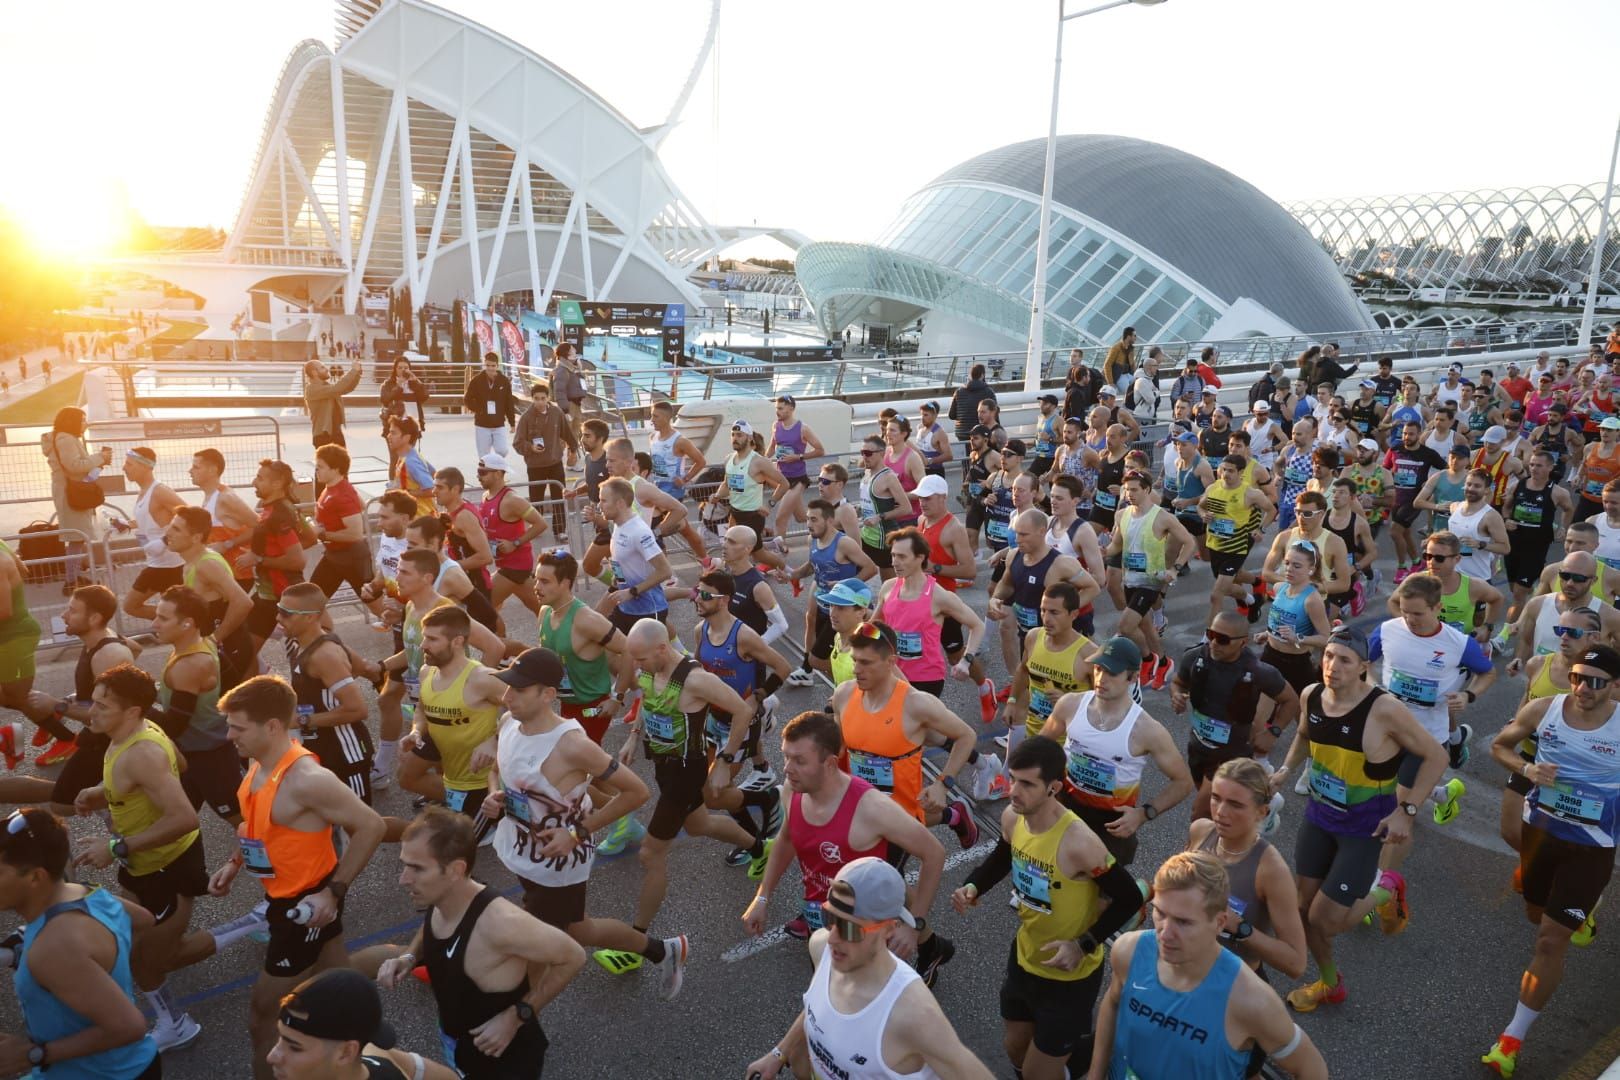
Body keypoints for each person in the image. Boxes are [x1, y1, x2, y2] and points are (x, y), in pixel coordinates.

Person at [203, 675, 386, 1078]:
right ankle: (409, 963)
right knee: (336, 979)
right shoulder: (258, 762)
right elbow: (259, 822)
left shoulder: (308, 780)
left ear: (271, 726)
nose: (228, 735)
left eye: (237, 727)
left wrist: (332, 893)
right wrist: (235, 863)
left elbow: (371, 826)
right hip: (287, 897)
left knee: (263, 1016)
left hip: (303, 906)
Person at [951, 736, 1153, 1080]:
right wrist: (974, 885)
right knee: (1015, 1046)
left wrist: (1084, 945)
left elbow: (1129, 898)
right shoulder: (1013, 817)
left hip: (1069, 977)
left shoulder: (1079, 842)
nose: (1013, 790)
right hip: (1026, 957)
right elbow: (1003, 855)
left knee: (1037, 1072)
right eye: (1013, 778)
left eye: (1027, 784)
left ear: (1054, 787)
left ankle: (1096, 1054)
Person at [1271, 626, 1447, 1012]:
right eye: (1329, 657)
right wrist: (1286, 769)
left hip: (1364, 828)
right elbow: (1304, 734)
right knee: (1304, 912)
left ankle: (1386, 886)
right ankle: (1330, 983)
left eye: (1344, 660)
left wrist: (1407, 811)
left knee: (1327, 920)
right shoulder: (1312, 694)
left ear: (1364, 667)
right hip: (1319, 817)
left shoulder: (1383, 709)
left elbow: (1436, 755)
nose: (1332, 666)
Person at [1483, 643, 1620, 1077]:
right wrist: (1526, 771)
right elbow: (1501, 747)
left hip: (1593, 847)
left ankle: (1511, 1040)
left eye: (1596, 682)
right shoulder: (1545, 709)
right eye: (1578, 677)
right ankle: (1583, 910)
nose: (1583, 687)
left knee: (1549, 939)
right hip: (1541, 835)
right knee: (1534, 913)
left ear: (1615, 686)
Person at [369, 808, 585, 1077]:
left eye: (417, 868)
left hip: (503, 1060)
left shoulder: (501, 923)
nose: (403, 879)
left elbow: (573, 956)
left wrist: (519, 1015)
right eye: (405, 864)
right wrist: (410, 957)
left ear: (456, 870)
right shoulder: (444, 896)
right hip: (458, 1043)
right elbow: (435, 925)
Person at [744, 857, 995, 1080]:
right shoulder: (822, 947)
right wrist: (779, 1053)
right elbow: (819, 1008)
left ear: (890, 928)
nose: (833, 937)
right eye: (829, 919)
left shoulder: (912, 1013)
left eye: (851, 930)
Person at [1090, 851, 1329, 1080]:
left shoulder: (1252, 1000)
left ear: (1219, 923)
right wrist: (1095, 1074)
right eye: (1161, 913)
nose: (1165, 933)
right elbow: (1112, 1003)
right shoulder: (1128, 951)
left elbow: (1311, 1070)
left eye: (1183, 922)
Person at [69, 663, 208, 1052]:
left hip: (167, 866)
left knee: (147, 963)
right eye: (93, 702)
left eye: (103, 707)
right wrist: (102, 790)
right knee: (126, 940)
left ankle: (176, 1023)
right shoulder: (138, 733)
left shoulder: (141, 752)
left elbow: (184, 816)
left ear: (132, 712)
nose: (91, 712)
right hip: (146, 863)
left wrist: (115, 847)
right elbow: (178, 764)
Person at [617, 619, 768, 950]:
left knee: (650, 854)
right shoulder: (649, 669)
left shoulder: (696, 680)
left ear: (661, 648)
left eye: (640, 658)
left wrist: (725, 762)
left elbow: (743, 711)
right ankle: (761, 848)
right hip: (662, 766)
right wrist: (632, 737)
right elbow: (649, 699)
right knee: (698, 824)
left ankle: (638, 943)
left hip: (686, 773)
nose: (635, 666)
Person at [744, 710, 946, 942]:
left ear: (830, 763)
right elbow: (787, 839)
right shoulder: (793, 790)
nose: (787, 769)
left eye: (799, 760)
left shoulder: (871, 807)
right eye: (785, 757)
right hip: (820, 923)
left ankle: (931, 947)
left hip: (864, 939)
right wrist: (762, 898)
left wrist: (915, 926)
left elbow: (934, 853)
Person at [0, 806, 160, 1080]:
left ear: (36, 877)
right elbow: (143, 919)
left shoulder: (54, 950)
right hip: (132, 1064)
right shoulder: (86, 893)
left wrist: (31, 1055)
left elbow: (130, 1026)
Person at [1039, 637, 1193, 866]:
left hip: (1111, 828)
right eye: (1098, 668)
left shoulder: (1146, 730)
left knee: (1105, 901)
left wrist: (1143, 814)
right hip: (1065, 811)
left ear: (1132, 677)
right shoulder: (1070, 705)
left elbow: (1183, 782)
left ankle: (1139, 895)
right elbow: (1039, 749)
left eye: (1111, 673)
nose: (1101, 678)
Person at [1187, 758, 1308, 981]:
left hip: (1231, 985)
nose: (1220, 811)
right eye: (1216, 798)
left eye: (1235, 804)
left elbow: (1296, 963)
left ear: (1262, 812)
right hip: (1183, 966)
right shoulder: (1201, 832)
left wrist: (1239, 927)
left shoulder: (1271, 870)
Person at [1171, 611, 1297, 820]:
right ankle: (1261, 805)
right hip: (1198, 747)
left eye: (1223, 639)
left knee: (1201, 812)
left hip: (1232, 753)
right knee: (1216, 809)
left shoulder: (1257, 671)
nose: (1214, 643)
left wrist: (1273, 732)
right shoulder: (1194, 657)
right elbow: (1178, 682)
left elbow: (1290, 699)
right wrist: (1176, 696)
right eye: (1211, 635)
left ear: (1243, 642)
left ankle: (1197, 851)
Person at [398, 605, 509, 825]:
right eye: (424, 638)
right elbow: (421, 708)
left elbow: (526, 710)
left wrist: (495, 741)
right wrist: (417, 730)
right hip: (453, 782)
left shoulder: (482, 678)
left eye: (432, 639)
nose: (423, 646)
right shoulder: (426, 673)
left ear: (457, 641)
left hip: (483, 784)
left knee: (456, 850)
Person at [145, 586, 242, 825]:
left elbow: (174, 726)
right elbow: (234, 681)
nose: (154, 624)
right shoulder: (206, 643)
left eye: (163, 618)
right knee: (173, 822)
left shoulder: (189, 664)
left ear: (187, 623)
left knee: (245, 825)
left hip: (210, 759)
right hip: (193, 755)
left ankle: (277, 862)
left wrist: (133, 702)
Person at [275, 583, 377, 802]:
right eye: (279, 609)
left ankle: (426, 833)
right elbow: (362, 667)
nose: (278, 618)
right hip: (320, 748)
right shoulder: (296, 643)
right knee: (331, 825)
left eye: (286, 613)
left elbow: (358, 710)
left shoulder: (325, 656)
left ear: (311, 617)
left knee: (359, 825)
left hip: (345, 753)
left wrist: (301, 720)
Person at [269, 966, 457, 1080]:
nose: (272, 1056)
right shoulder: (373, 1054)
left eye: (294, 1047)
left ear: (346, 1052)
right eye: (280, 1039)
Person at [1105, 471, 1194, 687]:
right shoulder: (1122, 515)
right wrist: (1101, 552)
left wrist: (1175, 568)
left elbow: (1190, 543)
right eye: (1127, 489)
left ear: (1146, 489)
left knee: (1126, 627)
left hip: (1151, 581)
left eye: (1134, 489)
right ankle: (1162, 662)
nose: (1129, 494)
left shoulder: (1162, 517)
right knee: (1145, 627)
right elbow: (1116, 544)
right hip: (1130, 579)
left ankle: (1147, 659)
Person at [878, 528, 988, 700]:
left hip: (926, 678)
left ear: (920, 557)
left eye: (902, 557)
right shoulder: (888, 588)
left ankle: (986, 689)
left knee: (914, 725)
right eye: (893, 555)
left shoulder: (939, 595)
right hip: (892, 673)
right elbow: (875, 625)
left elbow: (978, 625)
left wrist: (966, 661)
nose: (894, 562)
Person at [789, 497, 878, 686]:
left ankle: (847, 685)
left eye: (814, 520)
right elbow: (813, 565)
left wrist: (844, 585)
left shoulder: (844, 543)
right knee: (835, 653)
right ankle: (844, 687)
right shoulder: (811, 540)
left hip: (847, 608)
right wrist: (791, 575)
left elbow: (871, 568)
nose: (808, 524)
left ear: (829, 521)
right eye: (807, 519)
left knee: (817, 659)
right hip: (826, 606)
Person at [42, 406, 111, 594]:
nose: (85, 423)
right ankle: (71, 581)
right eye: (82, 420)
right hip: (71, 494)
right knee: (76, 538)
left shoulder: (62, 438)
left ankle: (74, 575)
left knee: (78, 537)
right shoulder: (66, 440)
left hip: (69, 491)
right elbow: (73, 466)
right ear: (71, 421)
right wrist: (99, 458)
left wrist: (96, 463)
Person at [1198, 457, 1276, 624]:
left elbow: (1271, 510)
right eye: (1223, 469)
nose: (1225, 474)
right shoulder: (1213, 488)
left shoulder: (1251, 493)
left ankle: (1209, 638)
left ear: (1241, 472)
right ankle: (1253, 598)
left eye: (1231, 470)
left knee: (1216, 594)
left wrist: (1260, 529)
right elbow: (1200, 506)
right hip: (1215, 544)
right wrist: (1204, 515)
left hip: (1238, 545)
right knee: (1230, 583)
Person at [474, 454, 548, 620]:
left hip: (515, 567)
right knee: (545, 613)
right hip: (504, 565)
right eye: (478, 471)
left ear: (499, 473)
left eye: (483, 472)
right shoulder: (485, 496)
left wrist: (515, 543)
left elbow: (540, 524)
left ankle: (503, 644)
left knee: (481, 608)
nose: (478, 476)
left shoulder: (511, 500)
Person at [597, 476, 674, 633]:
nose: (599, 506)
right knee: (610, 650)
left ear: (620, 504)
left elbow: (665, 571)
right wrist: (617, 581)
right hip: (625, 608)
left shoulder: (639, 531)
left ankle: (685, 656)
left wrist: (632, 592)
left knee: (644, 657)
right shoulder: (619, 525)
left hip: (648, 611)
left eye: (604, 501)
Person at [119, 447, 187, 622]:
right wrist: (126, 524)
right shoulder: (144, 491)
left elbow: (189, 516)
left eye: (129, 464)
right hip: (158, 563)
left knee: (130, 606)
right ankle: (180, 624)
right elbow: (152, 520)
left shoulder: (159, 491)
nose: (124, 468)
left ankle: (182, 621)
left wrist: (164, 541)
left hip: (167, 565)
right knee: (175, 607)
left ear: (145, 466)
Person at [718, 420, 789, 568]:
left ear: (749, 438)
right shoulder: (729, 459)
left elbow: (784, 484)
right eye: (733, 435)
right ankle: (728, 575)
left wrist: (770, 504)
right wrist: (716, 496)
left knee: (758, 554)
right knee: (729, 545)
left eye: (739, 435)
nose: (735, 438)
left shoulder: (758, 462)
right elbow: (726, 485)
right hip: (735, 513)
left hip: (752, 516)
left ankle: (787, 571)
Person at [1386, 420, 1449, 582]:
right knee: (1405, 532)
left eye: (1411, 434)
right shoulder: (1395, 449)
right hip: (1396, 499)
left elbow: (1447, 471)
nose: (1406, 437)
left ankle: (1401, 568)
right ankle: (1416, 562)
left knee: (1395, 532)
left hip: (1414, 500)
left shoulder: (1428, 453)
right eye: (1404, 433)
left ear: (1419, 434)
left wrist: (1430, 485)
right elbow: (1384, 470)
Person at [766, 394, 825, 551]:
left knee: (780, 518)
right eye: (776, 408)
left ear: (791, 408)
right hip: (782, 479)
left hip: (798, 479)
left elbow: (820, 450)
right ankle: (826, 522)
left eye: (780, 408)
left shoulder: (802, 428)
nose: (777, 412)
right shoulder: (776, 426)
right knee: (800, 517)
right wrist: (761, 461)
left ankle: (779, 553)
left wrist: (798, 456)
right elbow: (772, 447)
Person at [303, 357, 361, 458]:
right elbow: (337, 388)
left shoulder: (326, 386)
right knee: (326, 470)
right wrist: (353, 371)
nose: (326, 369)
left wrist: (357, 374)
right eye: (322, 367)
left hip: (336, 433)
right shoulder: (312, 389)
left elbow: (346, 389)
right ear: (314, 373)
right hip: (323, 436)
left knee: (342, 468)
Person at [464, 352, 518, 458]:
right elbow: (467, 399)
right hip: (482, 424)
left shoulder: (504, 381)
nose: (490, 368)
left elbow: (509, 402)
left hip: (498, 423)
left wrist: (512, 422)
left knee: (502, 451)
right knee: (483, 455)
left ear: (497, 366)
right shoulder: (476, 380)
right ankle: (485, 472)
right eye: (487, 365)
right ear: (484, 365)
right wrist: (479, 410)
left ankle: (495, 467)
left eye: (493, 366)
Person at [386, 416, 438, 518]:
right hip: (416, 518)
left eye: (393, 433)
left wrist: (404, 493)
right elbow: (435, 474)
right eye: (389, 432)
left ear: (406, 438)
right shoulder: (409, 456)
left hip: (421, 518)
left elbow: (431, 489)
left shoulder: (410, 461)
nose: (388, 436)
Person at [947, 362, 996, 455]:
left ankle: (967, 469)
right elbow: (994, 413)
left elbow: (951, 415)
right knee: (980, 458)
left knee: (966, 458)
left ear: (970, 375)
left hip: (961, 431)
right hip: (980, 432)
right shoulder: (988, 391)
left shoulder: (959, 391)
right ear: (982, 375)